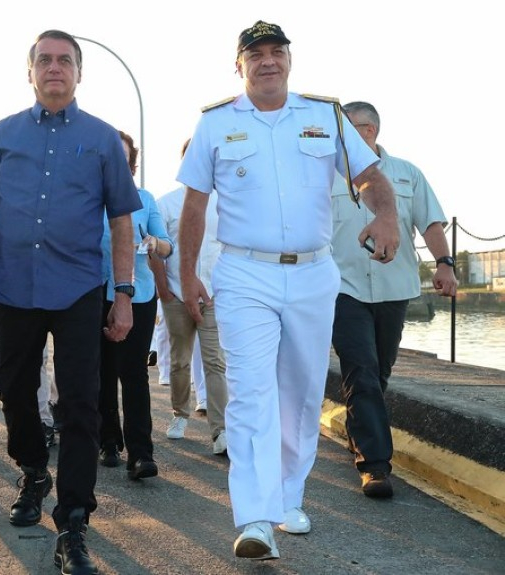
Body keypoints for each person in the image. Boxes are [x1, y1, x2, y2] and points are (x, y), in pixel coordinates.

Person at [177, 21, 400, 561]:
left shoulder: (324, 116)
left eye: (277, 52)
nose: (268, 61)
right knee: (252, 390)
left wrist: (387, 214)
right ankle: (254, 517)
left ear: (289, 62)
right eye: (256, 54)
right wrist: (188, 275)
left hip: (312, 272)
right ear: (240, 66)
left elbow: (367, 175)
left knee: (299, 393)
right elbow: (194, 207)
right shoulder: (215, 124)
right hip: (244, 272)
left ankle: (288, 499)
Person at [0, 29, 141, 575]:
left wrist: (123, 295)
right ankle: (33, 470)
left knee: (81, 402)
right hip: (11, 287)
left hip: (79, 288)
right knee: (12, 390)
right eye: (44, 60)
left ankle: (74, 521)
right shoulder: (4, 135)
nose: (54, 68)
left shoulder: (102, 139)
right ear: (30, 71)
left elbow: (122, 221)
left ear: (79, 73)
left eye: (65, 61)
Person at [331, 101, 458, 499]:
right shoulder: (325, 175)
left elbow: (431, 221)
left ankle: (360, 431)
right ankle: (375, 466)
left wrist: (445, 264)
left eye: (350, 130)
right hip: (341, 288)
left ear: (369, 131)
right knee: (361, 369)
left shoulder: (407, 174)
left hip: (394, 287)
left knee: (379, 370)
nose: (342, 139)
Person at [97, 130, 173, 480]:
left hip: (139, 294)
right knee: (100, 371)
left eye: (123, 160)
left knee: (133, 372)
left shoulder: (145, 199)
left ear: (132, 165)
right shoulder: (86, 199)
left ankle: (141, 453)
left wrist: (154, 242)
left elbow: (167, 245)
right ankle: (108, 441)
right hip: (93, 294)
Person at [158, 140, 229, 454]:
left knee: (215, 361)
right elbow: (156, 252)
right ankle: (179, 414)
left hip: (213, 295)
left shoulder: (225, 203)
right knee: (180, 361)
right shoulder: (167, 204)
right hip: (176, 293)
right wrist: (164, 290)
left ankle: (220, 431)